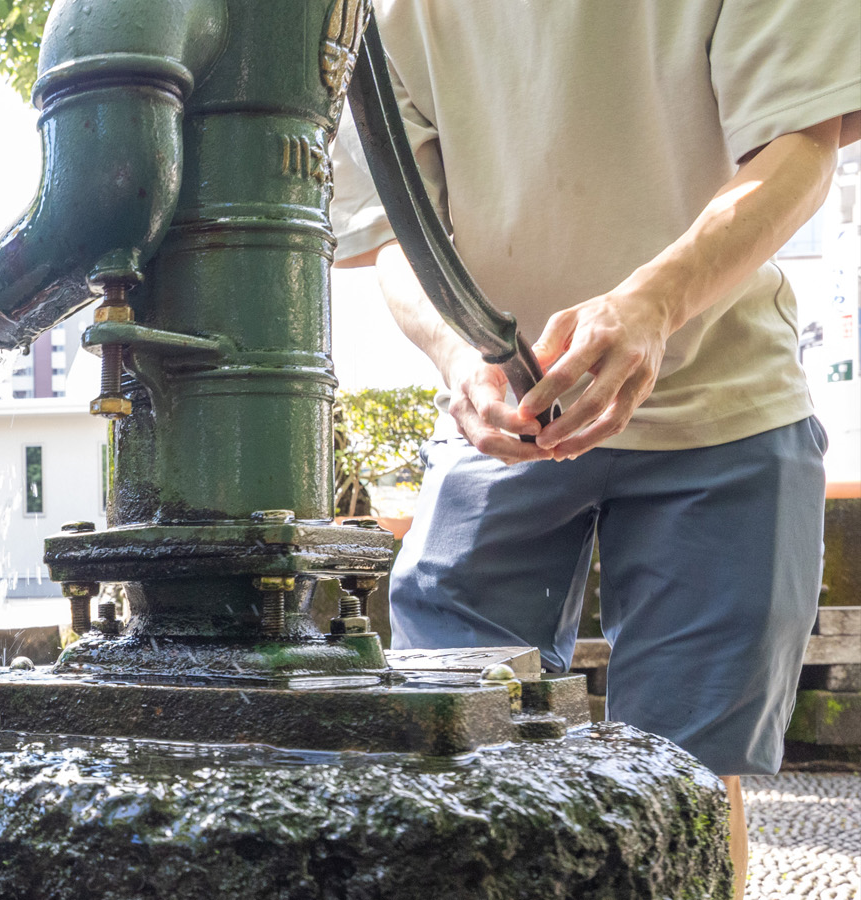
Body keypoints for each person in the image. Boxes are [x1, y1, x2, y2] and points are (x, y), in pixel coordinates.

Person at [330, 1, 859, 894]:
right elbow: (388, 228)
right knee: (456, 741)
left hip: (723, 404)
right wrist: (458, 352)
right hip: (503, 421)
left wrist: (654, 302)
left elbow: (801, 144)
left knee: (687, 776)